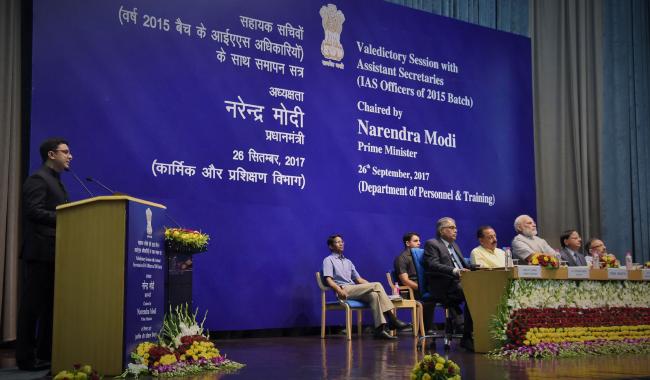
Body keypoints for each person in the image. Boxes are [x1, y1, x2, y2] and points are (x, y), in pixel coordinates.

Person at [16, 138, 72, 371]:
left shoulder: (57, 182)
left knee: (51, 307)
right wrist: (67, 218)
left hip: (55, 253)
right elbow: (34, 212)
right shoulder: (38, 179)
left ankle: (45, 353)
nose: (70, 156)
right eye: (65, 152)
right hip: (39, 252)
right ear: (51, 154)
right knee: (32, 307)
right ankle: (26, 358)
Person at [322, 234, 409, 340]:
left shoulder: (348, 261)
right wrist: (338, 290)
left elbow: (359, 280)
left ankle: (379, 329)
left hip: (353, 289)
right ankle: (392, 319)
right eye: (337, 242)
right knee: (377, 285)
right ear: (331, 246)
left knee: (374, 295)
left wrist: (371, 287)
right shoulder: (328, 260)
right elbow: (328, 280)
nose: (341, 243)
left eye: (342, 241)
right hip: (343, 290)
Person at [423, 217, 474, 351]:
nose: (455, 230)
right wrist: (455, 271)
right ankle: (466, 334)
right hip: (442, 285)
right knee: (472, 292)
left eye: (455, 227)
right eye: (451, 228)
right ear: (441, 231)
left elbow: (463, 265)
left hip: (458, 283)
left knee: (479, 289)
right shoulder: (432, 244)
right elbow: (432, 265)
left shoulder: (454, 245)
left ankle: (470, 329)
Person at [393, 232, 434, 333]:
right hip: (410, 290)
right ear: (407, 243)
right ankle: (425, 328)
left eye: (419, 241)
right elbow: (405, 280)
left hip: (423, 287)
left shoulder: (422, 256)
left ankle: (457, 325)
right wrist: (421, 288)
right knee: (429, 298)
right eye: (416, 241)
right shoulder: (401, 258)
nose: (419, 243)